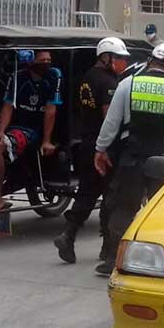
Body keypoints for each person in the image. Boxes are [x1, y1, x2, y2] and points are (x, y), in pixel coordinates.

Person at [94, 43, 164, 276]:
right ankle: (163, 262)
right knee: (163, 212)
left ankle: (113, 260)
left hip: (132, 158)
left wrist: (100, 149)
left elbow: (111, 124)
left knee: (123, 209)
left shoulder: (127, 85)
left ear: (150, 61)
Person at [53, 37, 131, 264]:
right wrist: (109, 146)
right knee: (110, 197)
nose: (122, 64)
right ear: (106, 58)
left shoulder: (87, 77)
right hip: (103, 147)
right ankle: (108, 250)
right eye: (118, 59)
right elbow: (110, 118)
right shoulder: (108, 82)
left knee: (87, 193)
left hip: (86, 143)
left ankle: (68, 234)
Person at [0, 50, 63, 221]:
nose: (46, 63)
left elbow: (51, 110)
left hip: (33, 130)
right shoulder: (18, 77)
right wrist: (1, 131)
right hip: (15, 125)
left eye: (49, 59)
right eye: (42, 60)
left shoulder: (54, 75)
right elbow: (8, 105)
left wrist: (47, 140)